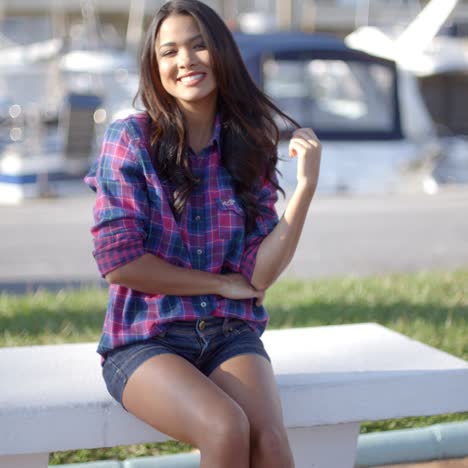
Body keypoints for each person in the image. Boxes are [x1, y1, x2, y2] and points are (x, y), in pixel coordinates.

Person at [85, 1, 321, 467]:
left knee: (269, 442)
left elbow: (259, 276)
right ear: (156, 69)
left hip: (229, 332)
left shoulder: (248, 142)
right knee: (225, 425)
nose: (185, 61)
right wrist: (216, 283)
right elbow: (119, 263)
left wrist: (306, 189)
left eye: (198, 46)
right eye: (169, 52)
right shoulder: (130, 139)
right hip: (144, 338)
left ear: (222, 52)